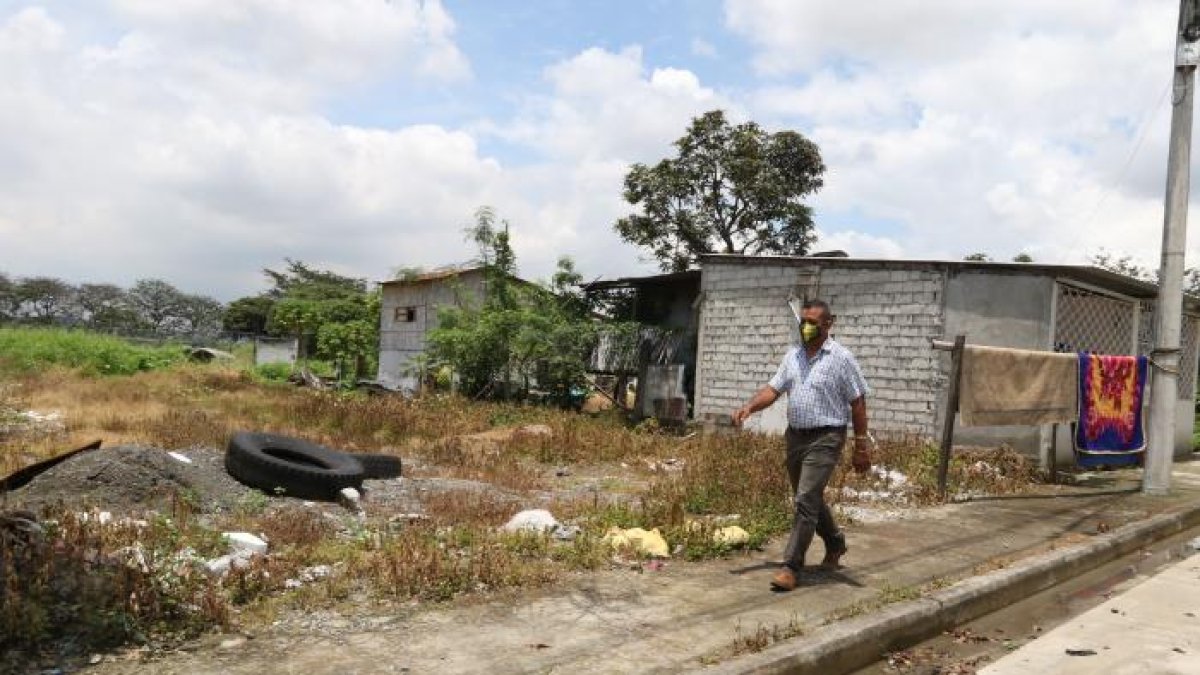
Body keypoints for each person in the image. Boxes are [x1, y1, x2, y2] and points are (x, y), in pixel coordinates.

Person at [731, 298, 872, 591]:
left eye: (813, 323)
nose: (806, 327)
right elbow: (774, 389)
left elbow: (857, 402)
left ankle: (791, 566)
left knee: (805, 499)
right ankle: (835, 543)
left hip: (827, 437)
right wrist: (749, 408)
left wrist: (861, 445)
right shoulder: (792, 356)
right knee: (809, 497)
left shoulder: (841, 358)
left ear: (828, 324)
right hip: (796, 436)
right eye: (803, 322)